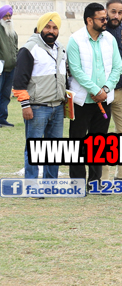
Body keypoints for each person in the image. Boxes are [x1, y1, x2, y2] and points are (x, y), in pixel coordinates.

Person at [65, 3, 122, 185]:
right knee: (77, 143)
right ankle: (77, 182)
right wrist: (95, 90)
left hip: (104, 100)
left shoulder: (110, 39)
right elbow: (76, 70)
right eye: (102, 19)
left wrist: (105, 90)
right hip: (81, 101)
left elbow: (117, 67)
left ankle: (95, 181)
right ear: (90, 20)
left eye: (106, 18)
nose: (106, 21)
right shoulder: (75, 40)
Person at [12, 13, 67, 179]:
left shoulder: (60, 48)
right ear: (40, 28)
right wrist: (25, 105)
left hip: (57, 107)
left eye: (55, 28)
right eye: (47, 27)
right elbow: (19, 81)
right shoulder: (29, 49)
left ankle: (51, 184)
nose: (51, 31)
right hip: (37, 107)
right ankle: (32, 185)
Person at [102, 0, 122, 179]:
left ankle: (121, 175)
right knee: (102, 135)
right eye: (113, 11)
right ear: (106, 11)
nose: (116, 16)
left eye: (120, 12)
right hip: (101, 92)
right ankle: (102, 176)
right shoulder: (99, 29)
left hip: (119, 90)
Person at [0, 4, 15, 128]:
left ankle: (2, 119)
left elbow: (15, 49)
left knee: (6, 95)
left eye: (10, 16)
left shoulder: (12, 32)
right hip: (0, 69)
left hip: (11, 69)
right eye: (6, 16)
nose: (8, 18)